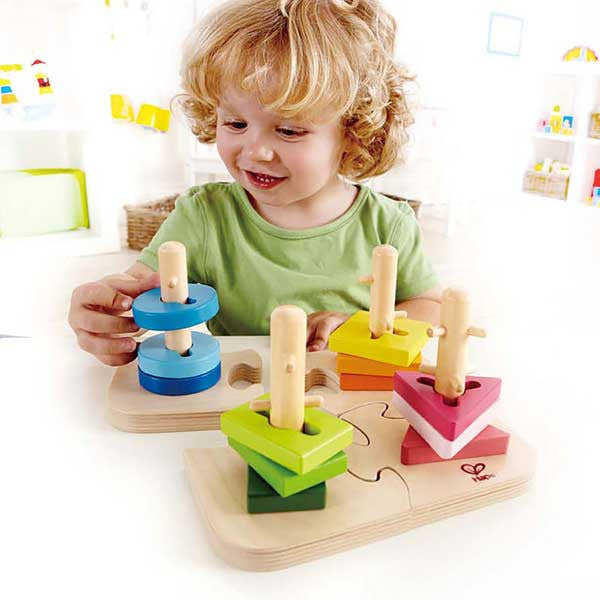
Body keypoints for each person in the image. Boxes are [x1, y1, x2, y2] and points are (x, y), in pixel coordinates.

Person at [69, 0, 441, 366]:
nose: (257, 151)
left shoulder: (389, 224)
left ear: (354, 132)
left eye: (289, 130)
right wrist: (107, 312)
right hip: (245, 401)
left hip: (356, 402)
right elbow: (139, 289)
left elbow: (430, 308)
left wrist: (362, 327)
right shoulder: (204, 216)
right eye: (235, 123)